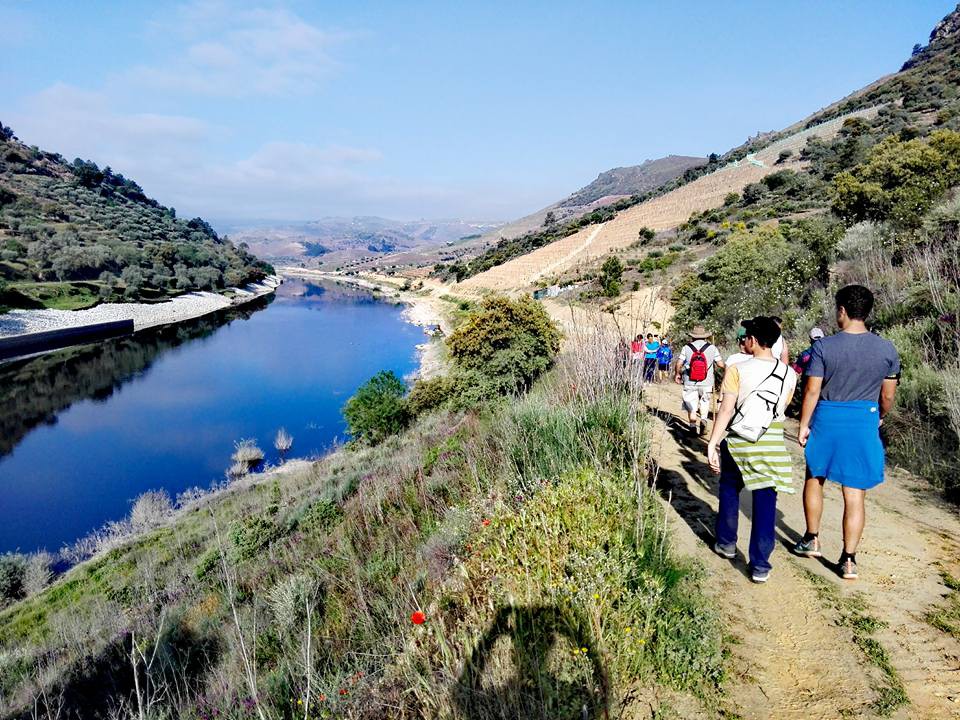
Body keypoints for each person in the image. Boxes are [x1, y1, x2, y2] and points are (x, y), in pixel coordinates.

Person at [794, 285, 900, 581]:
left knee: (815, 477)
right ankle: (849, 560)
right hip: (863, 419)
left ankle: (811, 539)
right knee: (854, 493)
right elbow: (888, 396)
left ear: (841, 310)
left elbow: (812, 389)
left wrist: (804, 424)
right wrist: (879, 415)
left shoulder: (823, 347)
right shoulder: (887, 349)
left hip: (828, 417)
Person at [707, 317, 797, 583]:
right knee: (766, 501)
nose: (744, 340)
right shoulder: (789, 374)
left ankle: (726, 542)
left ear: (754, 340)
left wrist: (713, 442)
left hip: (739, 441)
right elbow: (780, 409)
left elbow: (726, 409)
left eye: (746, 337)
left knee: (729, 488)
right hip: (771, 444)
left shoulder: (737, 369)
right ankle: (760, 565)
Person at [674, 325, 723, 435]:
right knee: (705, 402)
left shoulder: (686, 348)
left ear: (693, 336)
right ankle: (704, 420)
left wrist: (677, 374)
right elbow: (720, 364)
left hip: (689, 380)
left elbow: (679, 363)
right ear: (705, 337)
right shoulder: (712, 348)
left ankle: (692, 426)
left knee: (691, 404)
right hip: (707, 382)